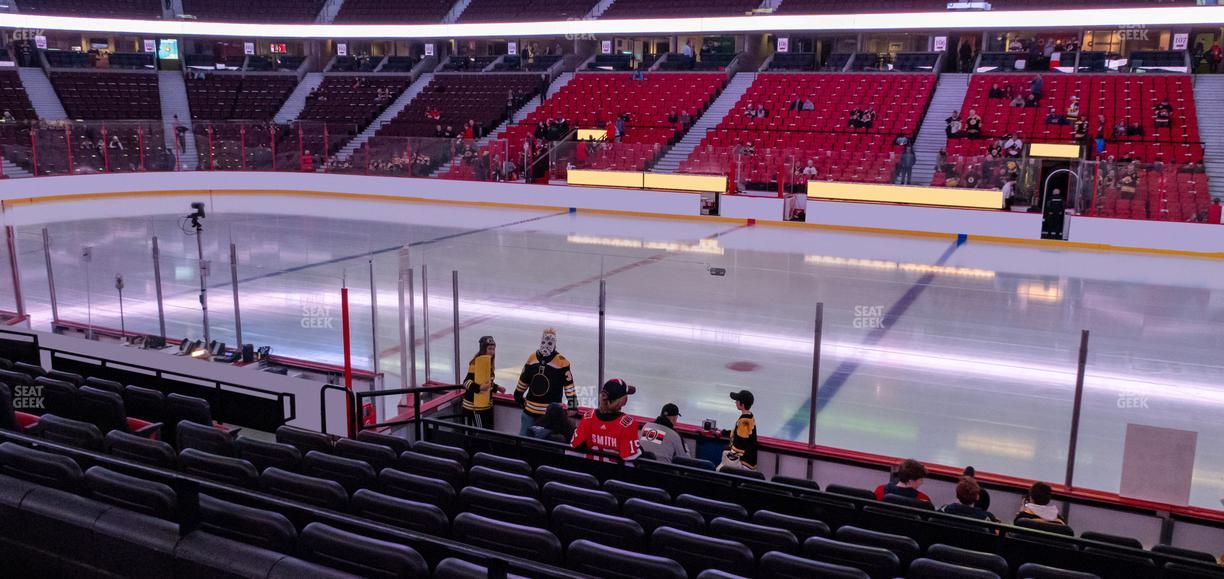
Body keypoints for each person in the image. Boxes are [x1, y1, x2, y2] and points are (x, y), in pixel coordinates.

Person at [514, 328, 577, 435]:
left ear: (555, 343)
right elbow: (524, 379)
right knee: (524, 443)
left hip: (549, 415)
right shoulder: (532, 357)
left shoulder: (562, 362)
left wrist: (573, 405)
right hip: (530, 412)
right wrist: (518, 396)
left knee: (543, 444)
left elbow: (568, 385)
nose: (546, 345)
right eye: (544, 341)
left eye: (550, 342)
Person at [571, 379, 641, 462]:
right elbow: (629, 457)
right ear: (623, 400)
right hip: (614, 474)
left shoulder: (588, 417)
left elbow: (575, 445)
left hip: (590, 470)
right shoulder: (628, 424)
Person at [461, 336, 501, 428]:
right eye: (489, 349)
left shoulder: (488, 363)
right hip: (475, 407)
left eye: (493, 349)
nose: (492, 351)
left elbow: (486, 382)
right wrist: (479, 388)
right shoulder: (476, 363)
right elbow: (466, 382)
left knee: (487, 430)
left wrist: (496, 387)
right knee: (480, 432)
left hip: (485, 404)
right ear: (483, 349)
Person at [718, 390, 758, 471]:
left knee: (719, 469)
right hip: (749, 461)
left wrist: (730, 453)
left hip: (744, 463)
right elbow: (739, 434)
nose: (735, 402)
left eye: (737, 401)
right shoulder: (749, 416)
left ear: (742, 404)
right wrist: (724, 432)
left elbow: (740, 444)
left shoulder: (743, 422)